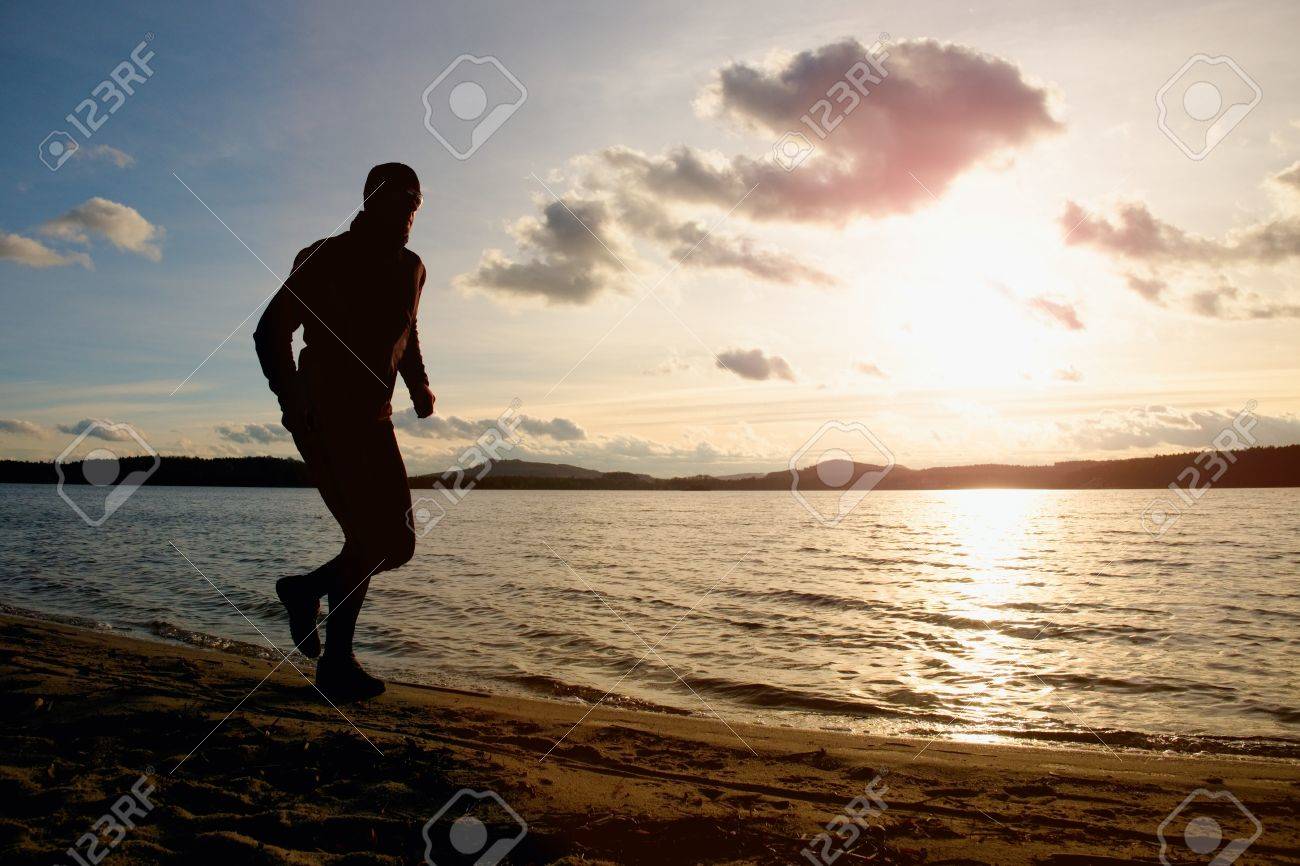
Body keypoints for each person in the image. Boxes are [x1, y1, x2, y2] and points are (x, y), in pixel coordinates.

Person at [253, 162, 435, 702]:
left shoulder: (413, 267)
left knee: (396, 543)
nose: (407, 213)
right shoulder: (324, 257)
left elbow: (409, 328)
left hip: (376, 419)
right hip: (325, 417)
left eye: (414, 204)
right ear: (370, 198)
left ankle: (305, 590)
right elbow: (271, 330)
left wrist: (418, 384)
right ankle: (335, 662)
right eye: (398, 200)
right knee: (370, 539)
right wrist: (293, 399)